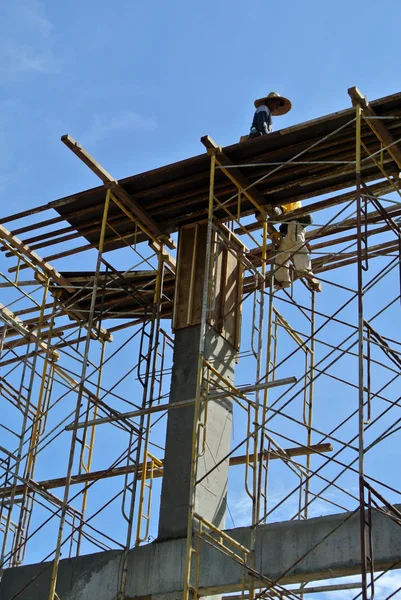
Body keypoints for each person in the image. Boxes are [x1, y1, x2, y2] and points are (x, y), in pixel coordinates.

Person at [272, 203, 322, 292]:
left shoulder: (293, 201)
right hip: (288, 233)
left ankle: (305, 270)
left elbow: (286, 208)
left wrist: (279, 210)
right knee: (281, 255)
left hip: (295, 225)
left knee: (299, 248)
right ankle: (282, 280)